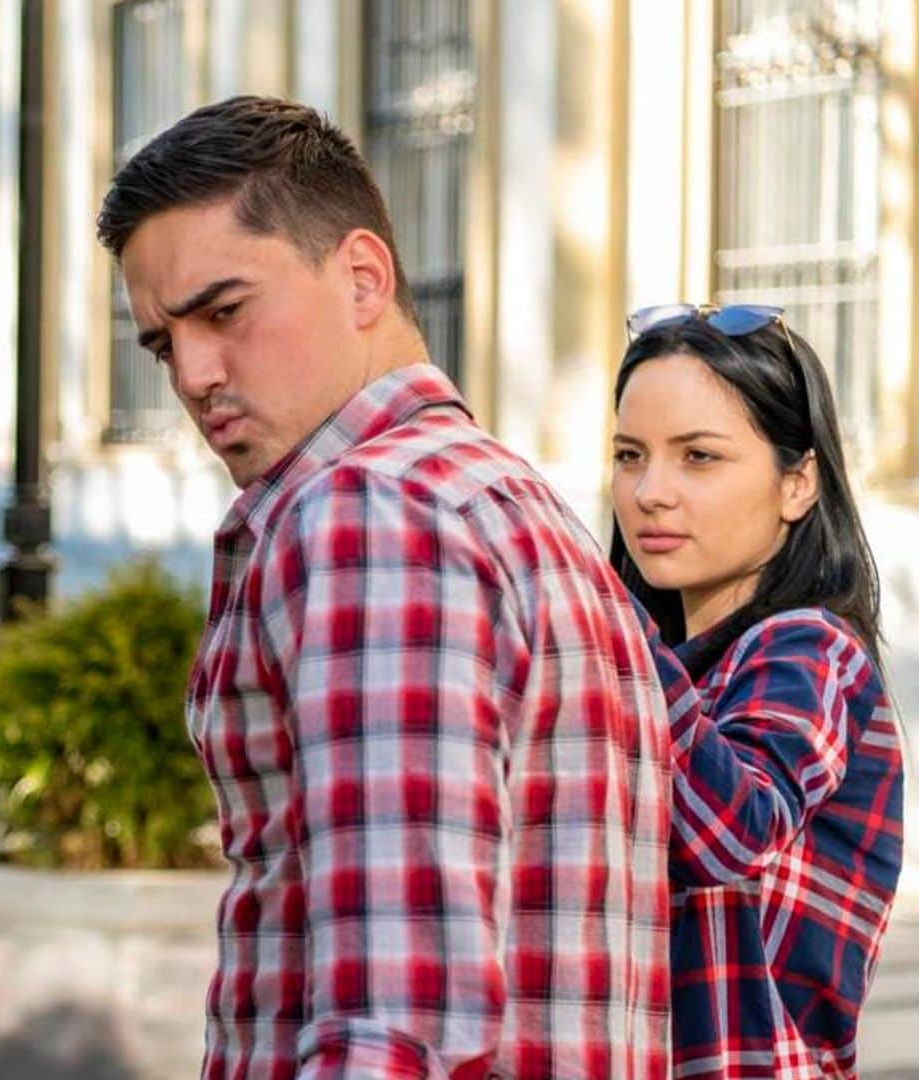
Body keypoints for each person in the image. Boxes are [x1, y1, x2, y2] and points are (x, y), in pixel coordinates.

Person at [98, 95, 671, 1078]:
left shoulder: (374, 518)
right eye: (162, 342)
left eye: (225, 311)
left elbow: (395, 1018)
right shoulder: (501, 497)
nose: (192, 373)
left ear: (363, 276)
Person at [610, 303, 904, 1078]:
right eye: (630, 455)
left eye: (699, 457)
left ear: (798, 483)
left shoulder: (809, 649)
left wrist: (605, 625)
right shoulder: (662, 666)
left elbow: (729, 830)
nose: (650, 492)